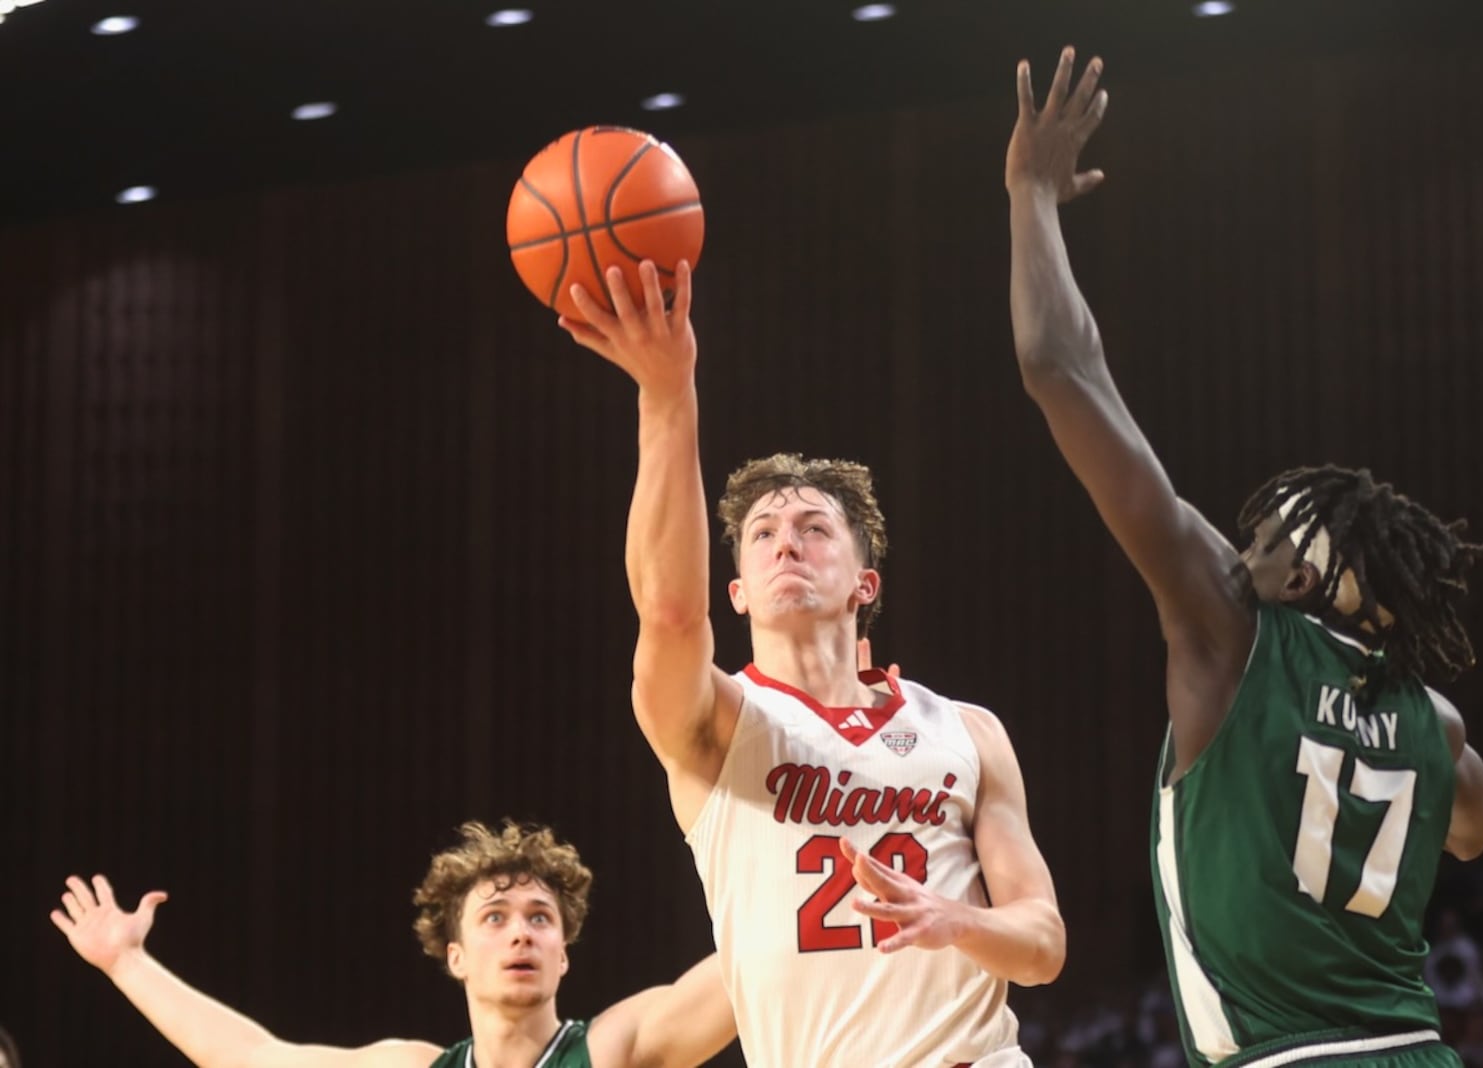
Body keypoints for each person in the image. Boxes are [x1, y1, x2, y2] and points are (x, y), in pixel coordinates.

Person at [1004, 44, 1483, 1068]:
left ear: (1304, 579)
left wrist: (1029, 196)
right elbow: (1473, 833)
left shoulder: (1232, 634)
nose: (1239, 541)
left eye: (1262, 534)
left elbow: (1060, 365)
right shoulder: (1438, 727)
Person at [557, 264, 1065, 1067]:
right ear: (737, 593)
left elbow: (1042, 943)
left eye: (814, 527)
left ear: (866, 583)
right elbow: (666, 609)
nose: (786, 540)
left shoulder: (967, 731)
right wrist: (667, 393)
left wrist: (957, 920)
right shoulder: (716, 726)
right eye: (762, 533)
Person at [52, 820, 734, 1068]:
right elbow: (253, 1057)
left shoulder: (612, 1049)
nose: (522, 929)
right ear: (456, 956)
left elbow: (756, 964)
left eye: (540, 917)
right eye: (495, 917)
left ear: (563, 952)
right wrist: (126, 963)